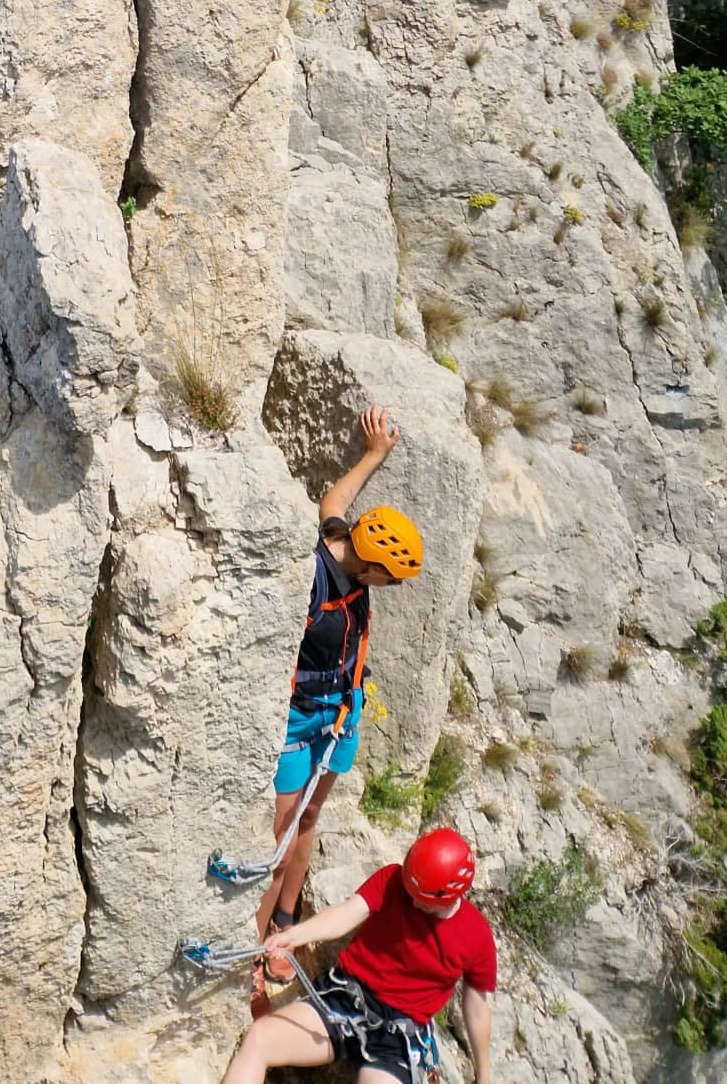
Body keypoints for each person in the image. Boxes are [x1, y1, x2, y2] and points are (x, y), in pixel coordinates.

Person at [251, 403, 423, 1005]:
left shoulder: (342, 539)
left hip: (342, 712)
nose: (387, 588)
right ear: (369, 564)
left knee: (310, 820)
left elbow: (335, 499)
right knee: (279, 838)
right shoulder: (313, 576)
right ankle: (254, 947)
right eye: (388, 579)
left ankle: (285, 926)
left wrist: (374, 454)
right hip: (301, 718)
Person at [219, 827, 496, 1084]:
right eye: (410, 890)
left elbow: (477, 1007)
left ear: (449, 895)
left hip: (397, 1037)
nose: (412, 902)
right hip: (346, 998)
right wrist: (294, 936)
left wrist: (483, 1077)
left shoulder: (476, 936)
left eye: (422, 899)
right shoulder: (393, 879)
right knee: (260, 1039)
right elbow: (346, 914)